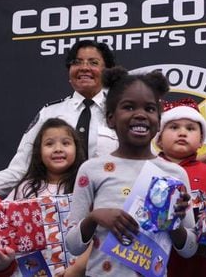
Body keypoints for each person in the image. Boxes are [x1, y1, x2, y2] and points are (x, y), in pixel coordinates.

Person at [65, 67, 197, 276]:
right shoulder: (92, 170)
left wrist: (173, 223)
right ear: (110, 118)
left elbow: (190, 249)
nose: (141, 115)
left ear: (158, 120)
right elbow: (73, 246)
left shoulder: (174, 174)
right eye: (128, 107)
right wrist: (94, 217)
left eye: (150, 109)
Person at [0, 40, 118, 197]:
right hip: (56, 209)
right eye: (77, 62)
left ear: (107, 71)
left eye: (93, 62)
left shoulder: (120, 112)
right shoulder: (49, 113)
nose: (84, 68)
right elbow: (20, 168)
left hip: (107, 203)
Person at [0, 118, 88, 276]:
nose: (58, 149)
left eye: (65, 143)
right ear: (39, 151)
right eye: (49, 144)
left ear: (77, 148)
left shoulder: (85, 187)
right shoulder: (26, 188)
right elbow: (4, 222)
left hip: (78, 270)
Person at [156, 98, 206, 277]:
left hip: (201, 265)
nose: (182, 133)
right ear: (158, 139)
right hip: (155, 261)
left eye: (190, 128)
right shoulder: (148, 170)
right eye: (174, 127)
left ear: (201, 141)